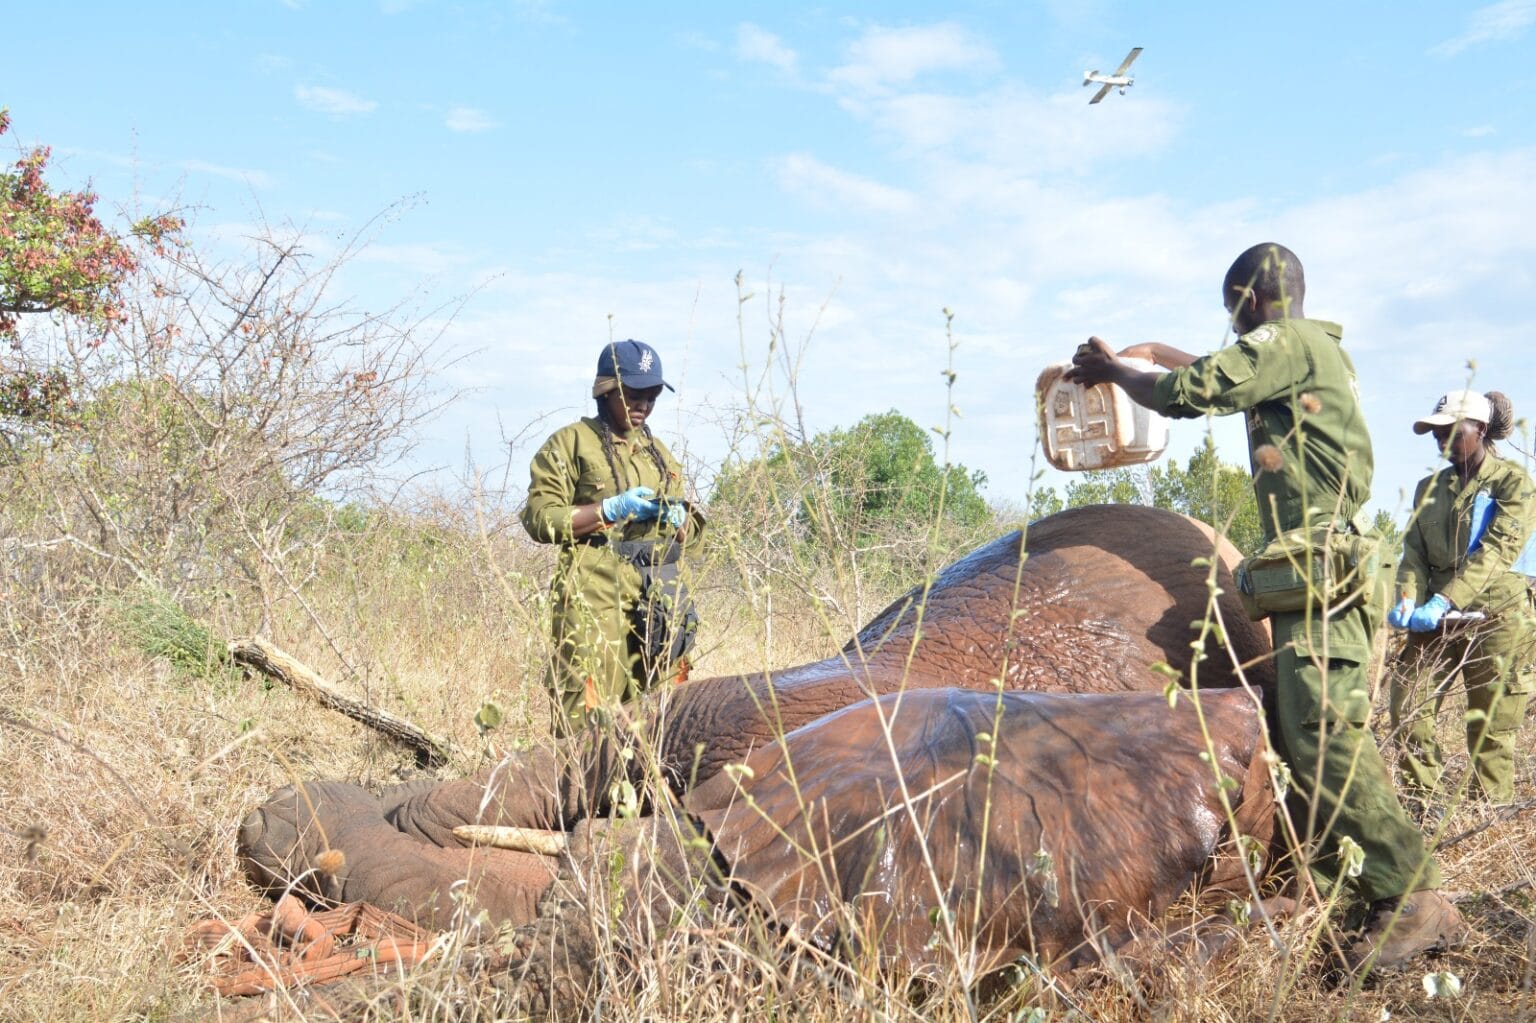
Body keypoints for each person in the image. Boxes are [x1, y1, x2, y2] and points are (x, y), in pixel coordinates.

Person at [1064, 242, 1466, 970]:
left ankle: (1411, 893)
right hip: (1309, 574)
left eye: (1232, 315)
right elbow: (1220, 378)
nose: (1234, 330)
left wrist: (1118, 373)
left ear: (1250, 301)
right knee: (1300, 729)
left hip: (1324, 571)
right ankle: (1339, 880)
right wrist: (1154, 353)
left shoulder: (1286, 341)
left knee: (1326, 734)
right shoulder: (1309, 352)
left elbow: (1201, 391)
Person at [521, 339, 705, 735]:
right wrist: (608, 510)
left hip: (659, 592)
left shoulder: (659, 453)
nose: (643, 406)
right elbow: (539, 518)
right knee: (587, 719)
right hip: (594, 593)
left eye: (652, 396)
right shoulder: (571, 443)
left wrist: (681, 520)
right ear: (606, 391)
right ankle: (579, 796)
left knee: (663, 714)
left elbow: (692, 533)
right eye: (633, 395)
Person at [1388, 389, 1536, 807]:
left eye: (1451, 432)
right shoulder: (1427, 489)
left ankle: (1486, 817)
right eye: (1436, 434)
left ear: (1481, 430)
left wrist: (1445, 600)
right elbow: (1413, 553)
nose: (1441, 442)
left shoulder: (1516, 485)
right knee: (1407, 706)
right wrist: (1407, 599)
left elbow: (1497, 552)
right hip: (1436, 619)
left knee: (1492, 724)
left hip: (1497, 615)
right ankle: (1426, 804)